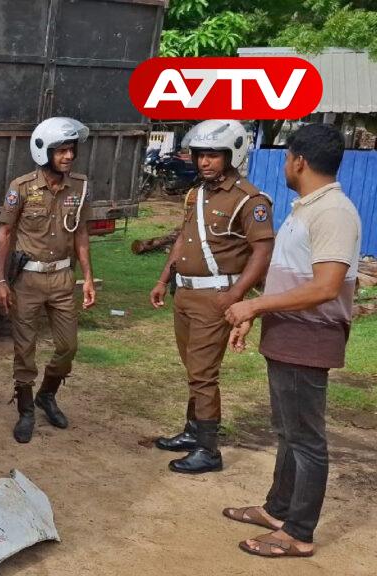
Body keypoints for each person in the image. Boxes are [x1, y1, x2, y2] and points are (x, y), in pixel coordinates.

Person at [222, 123, 361, 558]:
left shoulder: (333, 212)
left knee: (306, 440)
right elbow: (292, 279)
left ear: (299, 161)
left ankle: (299, 533)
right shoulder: (308, 208)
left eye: (286, 157)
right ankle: (277, 510)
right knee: (288, 432)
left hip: (308, 338)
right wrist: (258, 313)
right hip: (289, 334)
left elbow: (325, 287)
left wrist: (254, 306)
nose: (285, 165)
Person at [149, 119, 274, 474]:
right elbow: (183, 238)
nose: (204, 161)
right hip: (186, 293)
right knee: (193, 368)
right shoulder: (196, 193)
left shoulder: (250, 200)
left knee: (203, 373)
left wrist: (235, 294)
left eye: (213, 155)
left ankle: (208, 449)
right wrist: (163, 278)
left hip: (216, 296)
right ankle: (193, 431)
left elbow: (263, 250)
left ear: (231, 155)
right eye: (200, 154)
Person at [0, 117, 96, 444]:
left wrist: (88, 278)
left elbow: (81, 233)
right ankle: (25, 409)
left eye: (71, 150)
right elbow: (5, 232)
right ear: (44, 152)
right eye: (61, 150)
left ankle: (47, 394)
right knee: (25, 349)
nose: (69, 156)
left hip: (63, 279)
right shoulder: (21, 187)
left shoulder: (79, 186)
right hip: (28, 281)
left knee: (68, 346)